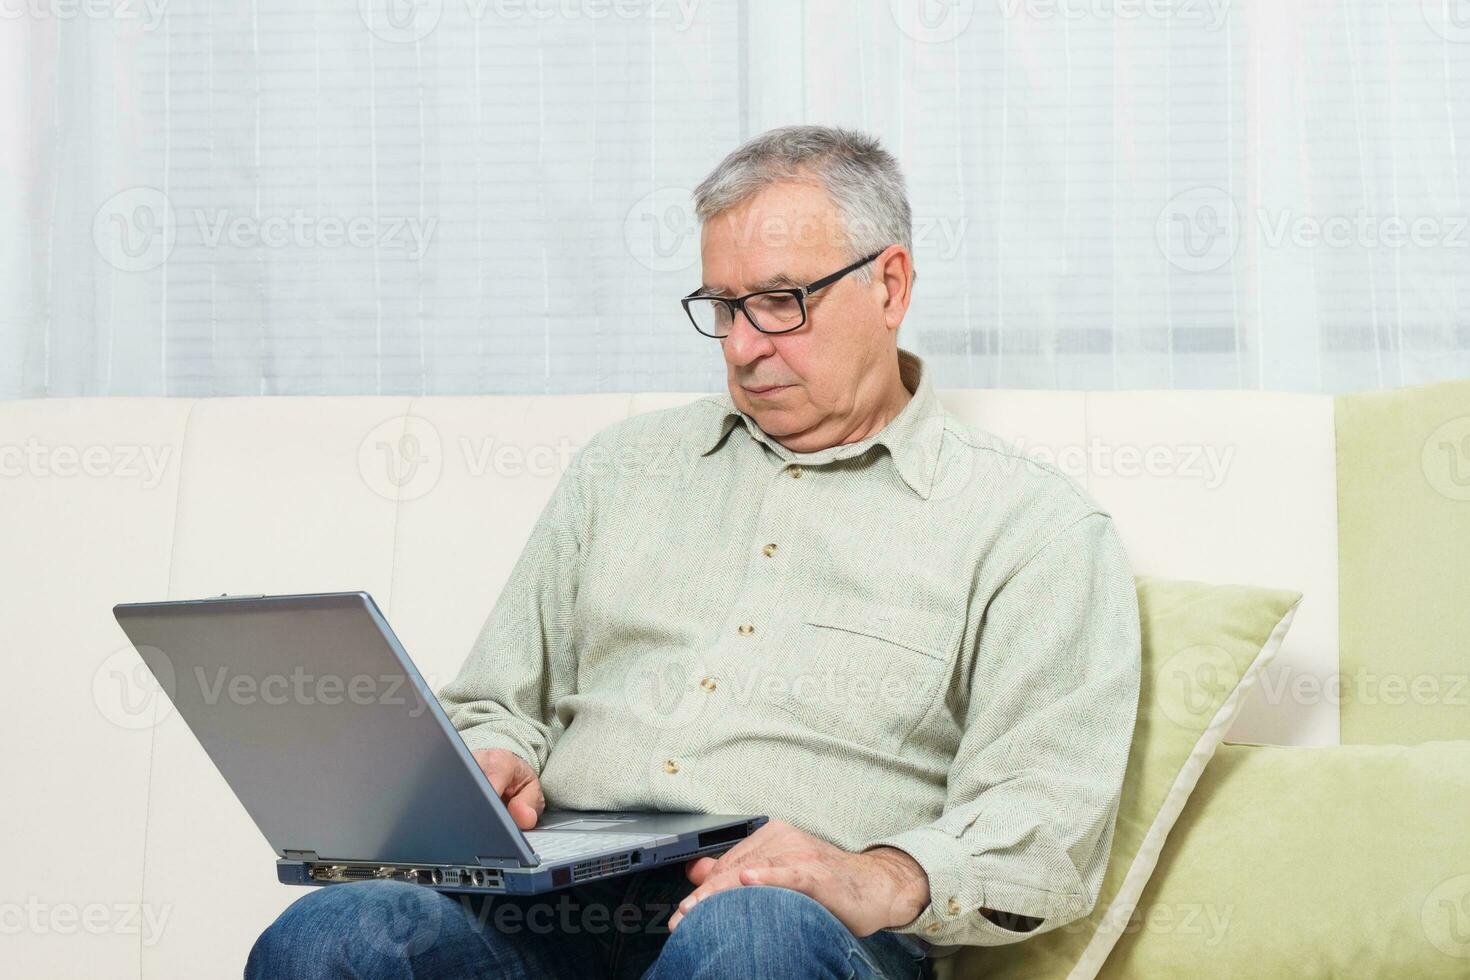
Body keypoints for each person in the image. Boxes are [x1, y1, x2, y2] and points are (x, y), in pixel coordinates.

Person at [247, 124, 1142, 980]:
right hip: (550, 910)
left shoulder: (1033, 529)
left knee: (751, 936)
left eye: (782, 302)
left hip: (792, 929)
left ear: (891, 286)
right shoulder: (621, 471)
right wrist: (491, 763)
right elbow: (498, 704)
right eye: (723, 307)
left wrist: (870, 875)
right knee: (335, 933)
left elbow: (1044, 828)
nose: (746, 347)